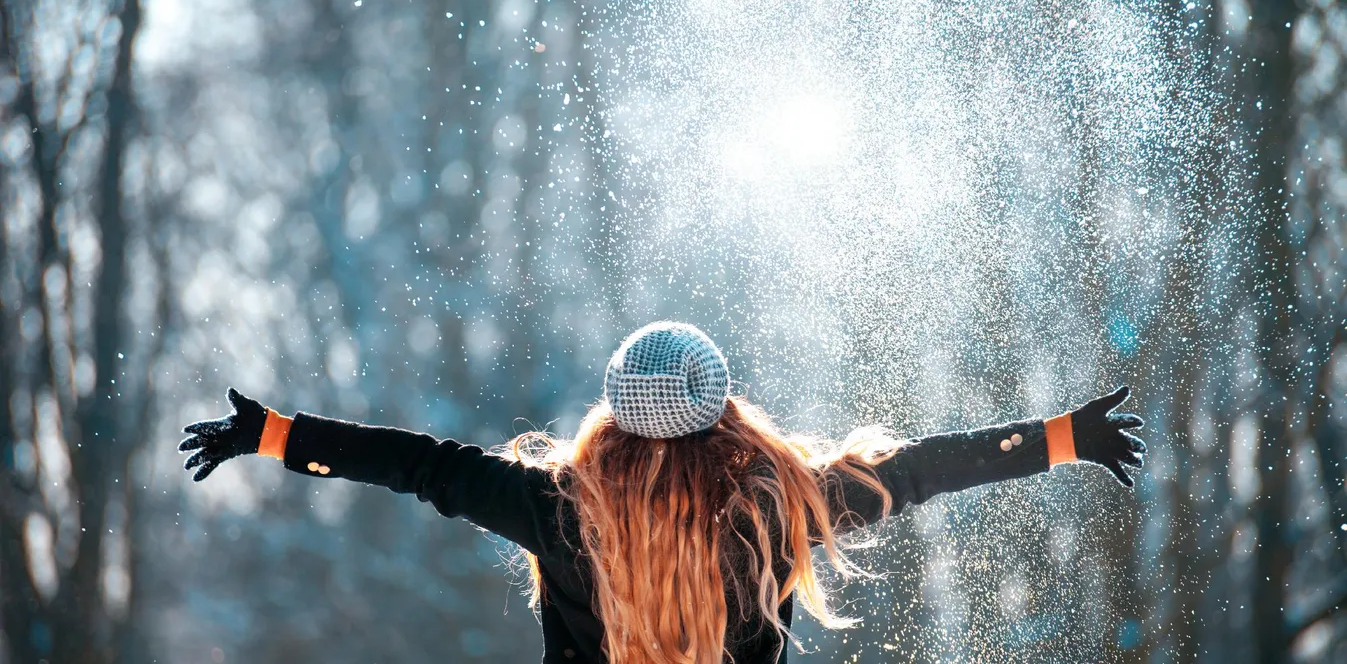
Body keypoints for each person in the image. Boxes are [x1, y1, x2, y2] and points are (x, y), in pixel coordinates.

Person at [179, 321, 1145, 663]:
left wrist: (275, 434)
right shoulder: (780, 506)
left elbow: (420, 464)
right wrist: (1061, 438)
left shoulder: (560, 508)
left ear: (611, 410)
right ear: (724, 406)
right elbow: (922, 470)